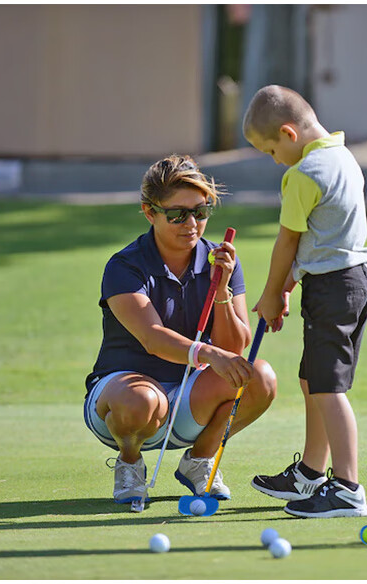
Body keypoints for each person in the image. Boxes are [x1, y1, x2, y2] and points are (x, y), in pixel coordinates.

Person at [83, 154, 277, 507]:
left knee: (259, 377)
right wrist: (209, 353)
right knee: (142, 399)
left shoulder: (222, 262)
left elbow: (234, 347)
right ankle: (129, 462)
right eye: (177, 214)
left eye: (200, 212)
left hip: (189, 401)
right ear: (149, 212)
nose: (191, 223)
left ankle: (200, 460)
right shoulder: (125, 266)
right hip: (123, 400)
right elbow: (152, 337)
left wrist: (221, 291)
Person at [242, 85, 367, 518]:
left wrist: (269, 293)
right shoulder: (343, 157)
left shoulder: (301, 174)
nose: (273, 159)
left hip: (332, 289)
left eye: (270, 150)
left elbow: (289, 243)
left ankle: (347, 487)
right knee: (312, 379)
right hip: (352, 283)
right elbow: (323, 241)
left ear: (288, 134)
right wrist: (287, 291)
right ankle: (311, 473)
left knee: (327, 387)